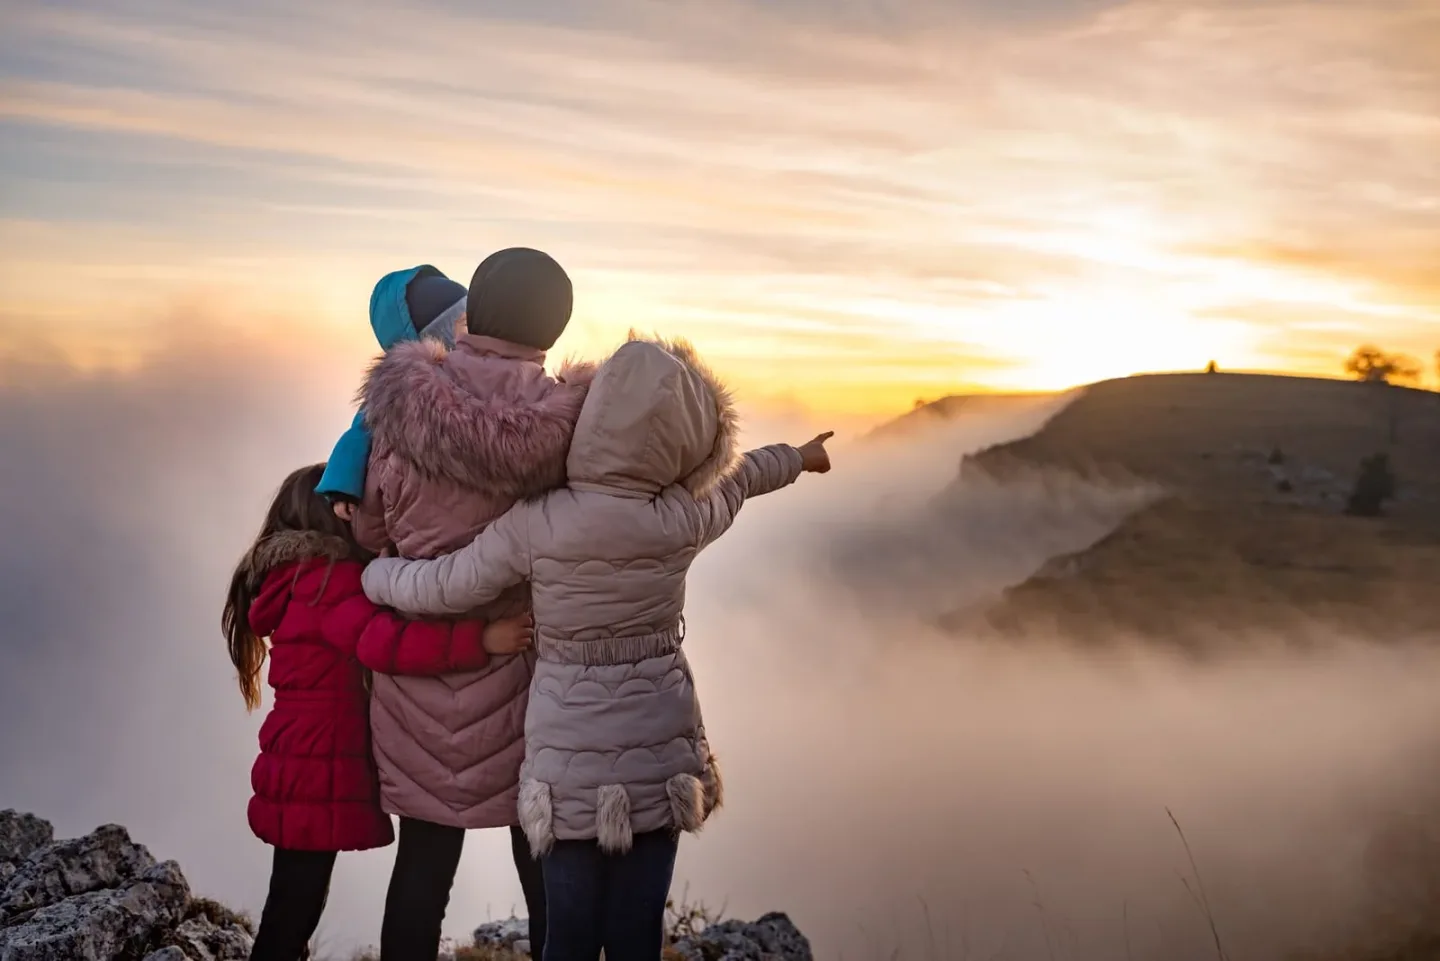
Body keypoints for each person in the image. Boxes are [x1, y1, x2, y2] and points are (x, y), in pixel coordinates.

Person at [361, 334, 834, 961]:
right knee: (637, 935)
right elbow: (742, 479)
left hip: (567, 759)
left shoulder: (540, 519)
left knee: (570, 937)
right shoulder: (681, 516)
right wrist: (799, 457)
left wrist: (375, 576)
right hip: (659, 750)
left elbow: (449, 584)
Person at [352, 248, 596, 960]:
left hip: (420, 676)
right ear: (556, 325)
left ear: (471, 312)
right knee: (543, 858)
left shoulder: (400, 408)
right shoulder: (575, 421)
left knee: (423, 865)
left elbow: (369, 529)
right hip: (532, 678)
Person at [222, 463, 533, 961]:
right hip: (320, 753)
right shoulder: (328, 581)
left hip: (295, 749)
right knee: (295, 904)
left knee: (292, 900)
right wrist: (481, 639)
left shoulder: (291, 577)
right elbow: (385, 643)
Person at [315, 265, 470, 514]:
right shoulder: (398, 390)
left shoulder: (475, 368)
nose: (473, 329)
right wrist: (342, 485)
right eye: (463, 322)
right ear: (432, 334)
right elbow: (361, 430)